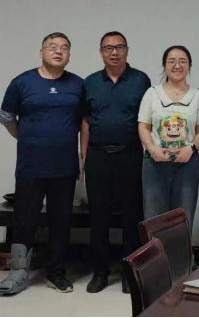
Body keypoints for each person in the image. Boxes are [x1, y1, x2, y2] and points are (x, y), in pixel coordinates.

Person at [0, 33, 84, 295]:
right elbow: (6, 116)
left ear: (69, 55)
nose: (58, 51)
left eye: (64, 48)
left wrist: (83, 157)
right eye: (53, 47)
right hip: (30, 166)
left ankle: (56, 272)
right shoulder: (22, 82)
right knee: (24, 219)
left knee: (61, 221)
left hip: (64, 167)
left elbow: (85, 122)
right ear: (41, 52)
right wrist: (26, 137)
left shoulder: (78, 85)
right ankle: (18, 272)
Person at [81, 32, 150, 294]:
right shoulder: (90, 82)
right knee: (98, 216)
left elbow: (147, 119)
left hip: (130, 155)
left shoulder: (140, 80)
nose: (114, 52)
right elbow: (86, 121)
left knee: (132, 216)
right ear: (101, 52)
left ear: (127, 51)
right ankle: (100, 272)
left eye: (119, 47)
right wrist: (84, 158)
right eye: (108, 48)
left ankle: (128, 274)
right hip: (98, 156)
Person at [138, 46, 199, 229]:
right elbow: (143, 126)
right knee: (153, 219)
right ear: (164, 65)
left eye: (183, 61)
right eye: (172, 61)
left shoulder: (198, 96)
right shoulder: (152, 93)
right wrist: (152, 149)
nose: (177, 66)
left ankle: (181, 250)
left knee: (183, 219)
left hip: (187, 164)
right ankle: (155, 250)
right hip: (154, 163)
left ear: (190, 66)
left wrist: (190, 149)